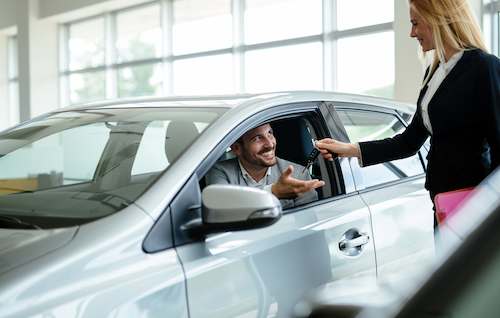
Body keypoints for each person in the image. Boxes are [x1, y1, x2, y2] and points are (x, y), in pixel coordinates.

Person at [315, 0, 500, 228]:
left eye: (415, 23)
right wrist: (350, 149)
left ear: (438, 19)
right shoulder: (435, 73)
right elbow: (408, 142)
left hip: (474, 206)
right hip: (444, 204)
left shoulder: (483, 67)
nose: (412, 33)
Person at [205, 123, 324, 209]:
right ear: (237, 148)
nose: (270, 144)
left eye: (270, 133)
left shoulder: (298, 173)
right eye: (257, 138)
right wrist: (272, 192)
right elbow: (219, 206)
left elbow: (307, 223)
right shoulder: (220, 171)